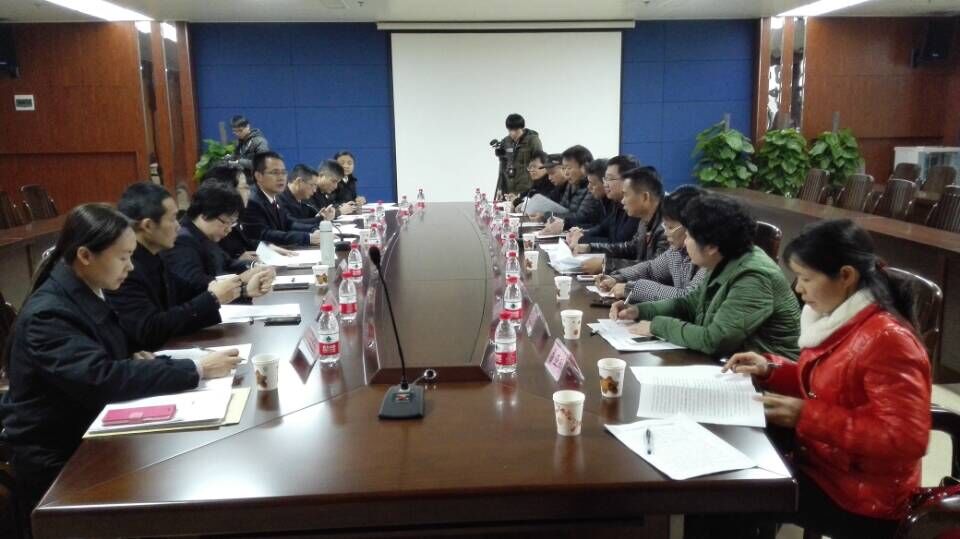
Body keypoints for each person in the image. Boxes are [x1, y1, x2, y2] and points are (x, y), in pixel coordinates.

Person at [0, 204, 240, 523]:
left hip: (90, 430)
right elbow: (102, 379)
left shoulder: (85, 290)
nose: (131, 266)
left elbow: (108, 358)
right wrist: (197, 369)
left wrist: (128, 357)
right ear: (85, 255)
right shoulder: (49, 314)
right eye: (124, 257)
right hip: (60, 457)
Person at [715, 219, 931, 539]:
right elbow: (830, 382)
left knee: (729, 495)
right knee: (730, 479)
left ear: (846, 276)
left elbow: (906, 439)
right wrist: (771, 369)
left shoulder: (887, 339)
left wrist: (806, 416)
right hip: (823, 463)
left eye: (805, 278)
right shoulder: (837, 315)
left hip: (861, 497)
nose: (798, 289)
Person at [611, 193, 801, 359]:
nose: (685, 243)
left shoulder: (754, 276)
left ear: (711, 246)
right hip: (734, 364)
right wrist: (638, 310)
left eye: (689, 236)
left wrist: (657, 326)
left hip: (769, 376)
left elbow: (715, 340)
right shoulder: (723, 258)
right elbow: (688, 303)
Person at [105, 183, 247, 350]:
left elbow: (183, 299)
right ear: (148, 226)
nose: (179, 226)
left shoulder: (156, 256)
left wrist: (242, 291)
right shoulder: (125, 268)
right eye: (172, 219)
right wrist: (213, 298)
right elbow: (149, 329)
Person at [596, 185, 706, 302]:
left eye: (670, 227)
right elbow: (651, 270)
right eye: (665, 226)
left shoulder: (709, 258)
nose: (665, 232)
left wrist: (631, 288)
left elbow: (689, 299)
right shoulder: (677, 251)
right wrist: (618, 278)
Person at [164, 184, 276, 293]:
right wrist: (241, 280)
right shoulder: (182, 240)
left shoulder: (205, 234)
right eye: (226, 222)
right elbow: (196, 284)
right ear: (205, 214)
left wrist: (256, 267)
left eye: (233, 223)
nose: (229, 229)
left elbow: (228, 263)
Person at [579, 166, 669, 274]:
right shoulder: (645, 218)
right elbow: (630, 248)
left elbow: (654, 270)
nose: (622, 201)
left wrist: (605, 265)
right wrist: (590, 248)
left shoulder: (668, 227)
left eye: (626, 195)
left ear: (645, 197)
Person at [242, 151, 323, 247]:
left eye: (284, 172)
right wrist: (307, 238)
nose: (281, 178)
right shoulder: (251, 201)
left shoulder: (275, 197)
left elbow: (288, 223)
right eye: (275, 173)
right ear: (258, 176)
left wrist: (313, 230)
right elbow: (264, 234)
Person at [567, 154, 641, 248]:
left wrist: (581, 240)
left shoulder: (636, 208)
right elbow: (601, 229)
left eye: (609, 178)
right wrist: (578, 236)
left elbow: (619, 244)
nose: (605, 184)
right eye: (605, 179)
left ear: (628, 180)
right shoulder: (617, 204)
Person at [539, 145, 602, 233]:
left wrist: (551, 216)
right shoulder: (571, 184)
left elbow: (581, 217)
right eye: (564, 168)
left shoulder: (592, 187)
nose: (566, 173)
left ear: (584, 167)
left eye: (569, 168)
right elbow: (561, 209)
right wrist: (551, 215)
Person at [201, 163, 257, 261]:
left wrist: (266, 249)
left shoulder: (232, 215)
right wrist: (237, 261)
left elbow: (245, 243)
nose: (249, 193)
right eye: (245, 187)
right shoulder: (212, 222)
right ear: (228, 189)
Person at [495, 113, 542, 198]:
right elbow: (502, 167)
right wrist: (500, 188)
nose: (513, 134)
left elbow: (539, 165)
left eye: (516, 130)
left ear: (522, 128)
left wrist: (538, 189)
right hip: (509, 190)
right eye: (510, 130)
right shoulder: (505, 142)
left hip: (526, 189)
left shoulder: (533, 141)